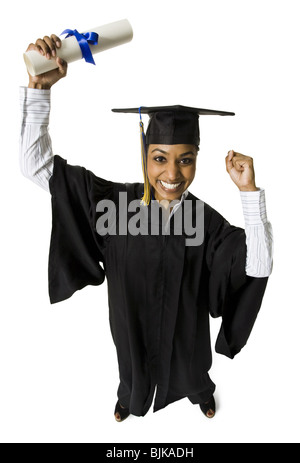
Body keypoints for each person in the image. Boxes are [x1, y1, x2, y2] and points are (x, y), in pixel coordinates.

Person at [20, 34, 273, 422]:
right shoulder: (116, 207)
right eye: (160, 158)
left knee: (194, 374)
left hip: (187, 342)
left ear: (196, 160)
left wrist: (249, 193)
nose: (172, 174)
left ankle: (201, 393)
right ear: (145, 155)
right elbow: (36, 168)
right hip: (131, 330)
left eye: (185, 160)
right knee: (131, 374)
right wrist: (39, 89)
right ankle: (129, 398)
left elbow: (259, 265)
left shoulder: (205, 222)